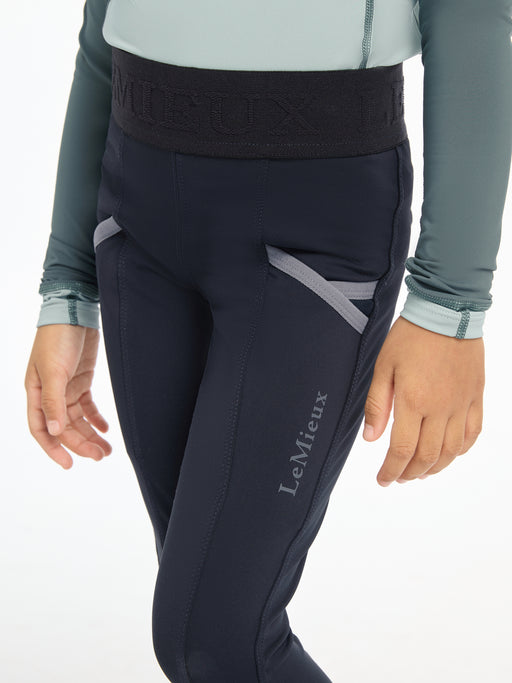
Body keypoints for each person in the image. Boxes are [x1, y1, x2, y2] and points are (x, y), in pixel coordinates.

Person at [24, 1, 512, 681]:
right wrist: (67, 284)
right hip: (134, 219)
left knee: (214, 639)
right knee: (204, 625)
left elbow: (472, 13)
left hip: (314, 231)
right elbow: (99, 31)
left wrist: (449, 301)